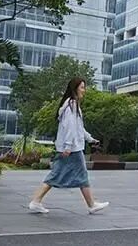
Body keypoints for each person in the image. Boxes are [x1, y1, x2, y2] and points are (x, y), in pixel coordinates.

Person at [28, 77, 109, 214]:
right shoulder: (72, 104)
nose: (84, 90)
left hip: (71, 147)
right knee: (76, 175)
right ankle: (91, 205)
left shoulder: (71, 104)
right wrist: (68, 146)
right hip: (72, 149)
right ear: (75, 88)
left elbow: (78, 127)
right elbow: (70, 127)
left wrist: (90, 139)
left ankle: (36, 201)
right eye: (82, 87)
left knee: (59, 175)